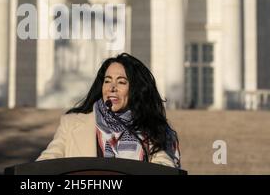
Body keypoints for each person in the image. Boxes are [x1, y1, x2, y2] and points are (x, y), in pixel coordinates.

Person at [36, 52, 181, 168]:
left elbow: (165, 167)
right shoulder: (71, 124)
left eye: (121, 82)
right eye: (107, 81)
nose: (112, 88)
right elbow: (47, 162)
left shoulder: (155, 130)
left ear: (136, 89)